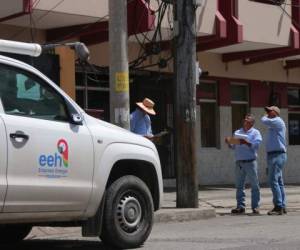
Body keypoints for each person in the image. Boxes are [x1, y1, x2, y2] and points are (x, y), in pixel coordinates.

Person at [225, 114, 262, 214]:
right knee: (239, 185)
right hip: (239, 163)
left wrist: (247, 142)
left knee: (254, 185)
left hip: (250, 162)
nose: (245, 121)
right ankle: (240, 206)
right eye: (245, 119)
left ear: (252, 123)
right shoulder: (238, 132)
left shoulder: (255, 133)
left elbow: (256, 145)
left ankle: (255, 207)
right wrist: (229, 142)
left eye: (247, 120)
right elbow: (233, 147)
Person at [261, 106, 287, 215]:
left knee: (273, 181)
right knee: (279, 182)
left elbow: (263, 120)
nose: (267, 112)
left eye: (269, 111)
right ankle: (282, 205)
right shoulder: (274, 123)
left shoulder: (277, 121)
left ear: (275, 112)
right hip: (275, 155)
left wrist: (266, 115)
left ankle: (278, 206)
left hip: (277, 155)